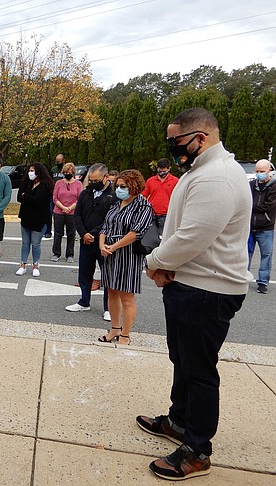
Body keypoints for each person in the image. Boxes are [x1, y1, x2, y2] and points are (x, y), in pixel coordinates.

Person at [139, 108, 252, 481]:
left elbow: (193, 236)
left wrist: (154, 262)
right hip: (192, 282)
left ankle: (198, 450)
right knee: (183, 359)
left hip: (209, 288)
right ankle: (179, 421)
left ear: (201, 137)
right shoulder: (202, 172)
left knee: (199, 370)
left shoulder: (217, 177)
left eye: (177, 142)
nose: (173, 149)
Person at [97, 169, 152, 345]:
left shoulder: (143, 206)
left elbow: (135, 232)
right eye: (118, 186)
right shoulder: (116, 204)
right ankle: (114, 328)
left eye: (123, 186)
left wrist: (113, 246)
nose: (119, 189)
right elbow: (105, 227)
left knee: (127, 297)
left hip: (128, 255)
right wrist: (102, 245)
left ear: (134, 186)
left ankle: (125, 335)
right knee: (111, 292)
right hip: (110, 254)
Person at [65, 163, 115, 321]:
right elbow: (77, 214)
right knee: (85, 272)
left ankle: (108, 308)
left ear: (106, 177)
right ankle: (84, 301)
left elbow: (110, 219)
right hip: (86, 240)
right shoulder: (86, 193)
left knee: (107, 275)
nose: (93, 183)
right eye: (91, 180)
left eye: (96, 180)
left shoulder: (113, 195)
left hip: (104, 241)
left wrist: (92, 234)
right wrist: (83, 233)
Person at [16, 163, 53, 277]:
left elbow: (38, 200)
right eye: (29, 170)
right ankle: (23, 265)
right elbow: (19, 197)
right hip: (26, 217)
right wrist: (26, 197)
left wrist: (25, 196)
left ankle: (36, 265)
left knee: (36, 244)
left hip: (39, 218)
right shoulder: (26, 182)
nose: (30, 173)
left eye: (33, 170)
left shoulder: (45, 185)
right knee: (25, 243)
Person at [248, 159, 276, 294]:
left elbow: (268, 206)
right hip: (249, 227)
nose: (259, 174)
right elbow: (245, 201)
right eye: (257, 171)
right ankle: (242, 278)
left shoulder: (274, 186)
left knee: (266, 255)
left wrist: (251, 207)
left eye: (262, 171)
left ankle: (263, 282)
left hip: (266, 227)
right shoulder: (251, 185)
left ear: (269, 171)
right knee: (246, 254)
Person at [52, 162, 83, 262]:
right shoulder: (58, 183)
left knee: (71, 234)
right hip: (59, 211)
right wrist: (63, 207)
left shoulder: (78, 184)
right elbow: (55, 198)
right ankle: (56, 253)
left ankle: (70, 254)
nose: (67, 173)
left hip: (72, 212)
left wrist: (70, 208)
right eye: (65, 172)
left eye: (69, 172)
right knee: (58, 233)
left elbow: (80, 199)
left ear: (73, 172)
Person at [142, 158, 179, 237]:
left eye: (164, 171)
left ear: (169, 168)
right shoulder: (150, 181)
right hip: (152, 214)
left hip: (167, 214)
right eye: (160, 170)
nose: (162, 172)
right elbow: (144, 196)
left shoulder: (175, 181)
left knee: (165, 237)